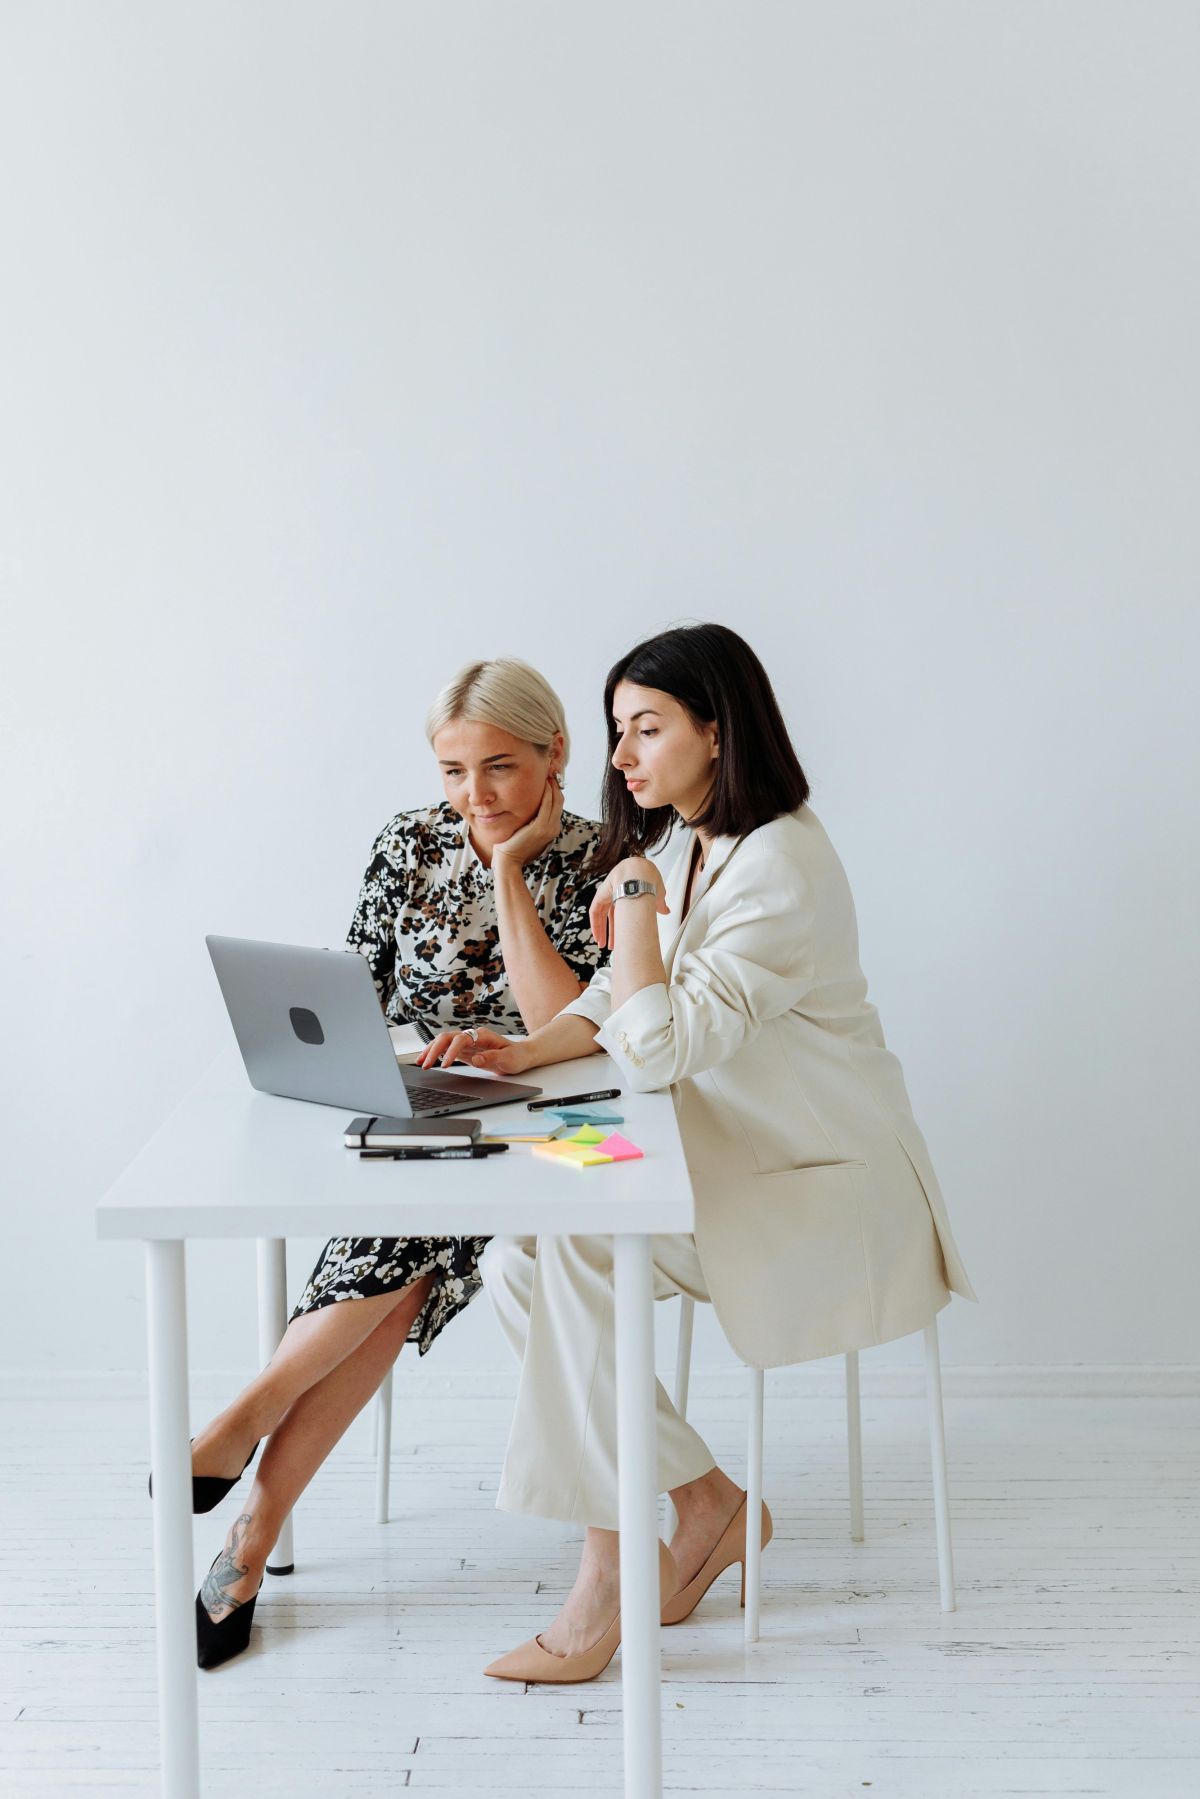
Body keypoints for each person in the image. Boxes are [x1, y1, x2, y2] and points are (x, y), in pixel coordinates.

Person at [418, 622, 979, 1683]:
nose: (622, 756)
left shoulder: (780, 867)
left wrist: (631, 898)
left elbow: (661, 1045)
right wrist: (523, 1050)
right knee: (518, 1256)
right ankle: (707, 1501)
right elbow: (616, 996)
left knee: (572, 1246)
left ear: (717, 732)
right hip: (732, 1167)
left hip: (822, 1194)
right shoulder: (695, 840)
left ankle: (606, 1571)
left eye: (647, 728)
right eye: (618, 730)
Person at [177, 658, 606, 1670]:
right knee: (403, 1263)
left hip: (551, 1122)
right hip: (426, 1105)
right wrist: (374, 1063)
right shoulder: (406, 841)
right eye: (453, 771)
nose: (475, 795)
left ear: (555, 753)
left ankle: (246, 1457)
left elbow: (571, 1023)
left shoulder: (603, 858)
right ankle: (247, 1515)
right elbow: (356, 987)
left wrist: (510, 871)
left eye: (500, 767)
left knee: (402, 1242)